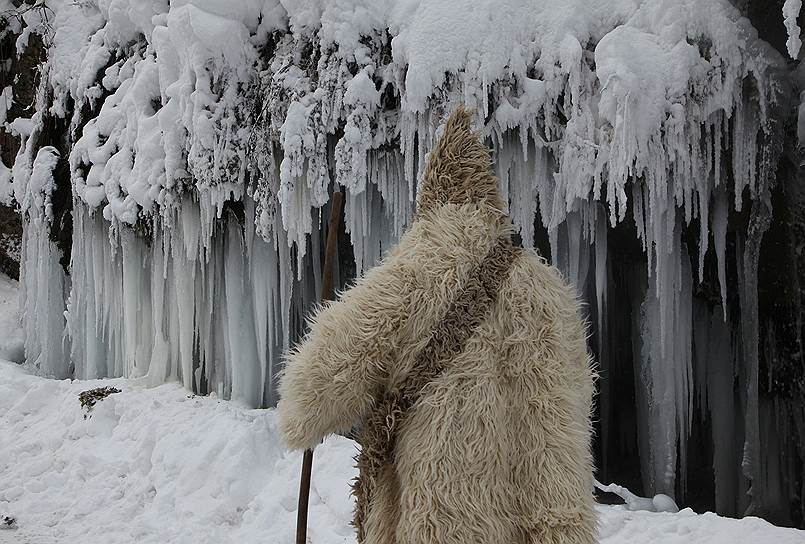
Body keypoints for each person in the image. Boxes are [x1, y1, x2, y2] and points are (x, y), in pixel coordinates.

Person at [278, 106, 596, 544]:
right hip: (544, 517)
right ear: (490, 200)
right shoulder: (548, 289)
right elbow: (578, 400)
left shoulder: (414, 269)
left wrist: (301, 414)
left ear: (432, 194)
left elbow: (317, 387)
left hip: (445, 514)